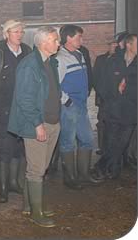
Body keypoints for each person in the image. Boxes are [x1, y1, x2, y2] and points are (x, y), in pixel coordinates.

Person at [7, 26, 61, 228]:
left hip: (53, 121)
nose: (58, 43)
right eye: (55, 40)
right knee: (37, 170)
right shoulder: (29, 65)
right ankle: (36, 213)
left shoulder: (50, 62)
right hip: (38, 124)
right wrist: (38, 125)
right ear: (44, 42)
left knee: (39, 167)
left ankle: (29, 205)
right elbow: (25, 99)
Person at [0, 19, 31, 203]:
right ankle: (3, 189)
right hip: (5, 109)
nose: (20, 35)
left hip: (23, 107)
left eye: (21, 32)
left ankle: (14, 183)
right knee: (5, 148)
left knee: (18, 147)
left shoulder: (27, 51)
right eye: (16, 32)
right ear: (7, 34)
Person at [56, 24, 101, 190]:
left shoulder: (80, 54)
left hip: (81, 105)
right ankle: (70, 178)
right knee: (68, 142)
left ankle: (84, 175)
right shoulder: (60, 58)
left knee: (87, 140)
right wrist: (66, 101)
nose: (81, 40)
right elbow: (55, 84)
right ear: (68, 38)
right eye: (78, 37)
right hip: (69, 106)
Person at [93, 34, 137, 180]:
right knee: (111, 142)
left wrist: (126, 87)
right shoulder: (113, 62)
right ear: (129, 45)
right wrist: (112, 98)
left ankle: (101, 167)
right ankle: (113, 172)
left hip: (131, 111)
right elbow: (101, 84)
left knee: (122, 144)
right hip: (113, 110)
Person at [93, 37, 118, 155]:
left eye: (116, 44)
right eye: (112, 44)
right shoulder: (101, 59)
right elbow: (95, 78)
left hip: (117, 99)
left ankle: (114, 148)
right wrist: (100, 93)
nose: (114, 46)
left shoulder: (121, 59)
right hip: (103, 98)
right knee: (102, 122)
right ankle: (102, 147)